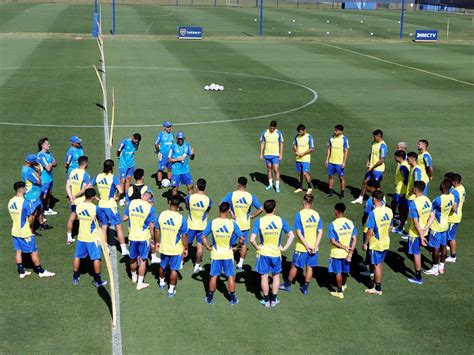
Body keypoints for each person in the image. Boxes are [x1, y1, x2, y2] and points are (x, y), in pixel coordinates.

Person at [250, 200, 295, 307]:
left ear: (264, 209)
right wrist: (284, 248)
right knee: (276, 276)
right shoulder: (280, 220)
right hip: (276, 253)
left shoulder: (259, 221)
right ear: (274, 209)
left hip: (264, 253)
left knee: (264, 277)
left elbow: (252, 239)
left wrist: (258, 247)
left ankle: (266, 301)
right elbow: (291, 236)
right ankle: (273, 300)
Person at [8, 181, 55, 279]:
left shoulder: (11, 201)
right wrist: (30, 226)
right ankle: (41, 271)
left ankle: (21, 271)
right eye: (25, 187)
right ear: (22, 189)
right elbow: (31, 218)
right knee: (33, 251)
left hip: (14, 231)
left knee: (18, 251)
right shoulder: (25, 203)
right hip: (24, 233)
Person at [201, 202, 244, 305]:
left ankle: (210, 298)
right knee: (230, 276)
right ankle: (233, 299)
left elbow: (203, 236)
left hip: (216, 254)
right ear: (228, 210)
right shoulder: (232, 224)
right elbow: (242, 238)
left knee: (214, 276)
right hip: (228, 254)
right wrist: (236, 247)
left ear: (219, 209)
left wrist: (207, 247)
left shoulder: (213, 222)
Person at [280, 194, 322, 295]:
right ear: (312, 203)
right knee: (310, 267)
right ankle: (305, 287)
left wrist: (307, 245)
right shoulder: (316, 215)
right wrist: (315, 246)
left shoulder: (300, 214)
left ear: (304, 201)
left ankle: (288, 284)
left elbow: (298, 232)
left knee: (294, 266)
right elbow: (320, 232)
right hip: (314, 248)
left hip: (302, 247)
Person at [221, 176, 264, 271]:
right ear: (246, 185)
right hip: (245, 224)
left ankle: (230, 261)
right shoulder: (250, 196)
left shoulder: (232, 194)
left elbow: (222, 204)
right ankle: (240, 264)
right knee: (244, 244)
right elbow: (261, 208)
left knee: (230, 244)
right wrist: (252, 216)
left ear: (237, 184)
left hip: (234, 224)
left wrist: (231, 213)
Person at [90, 159, 129, 256]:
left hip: (101, 205)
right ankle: (123, 248)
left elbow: (88, 187)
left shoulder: (98, 176)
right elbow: (120, 191)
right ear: (112, 167)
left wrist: (95, 197)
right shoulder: (113, 178)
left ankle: (105, 247)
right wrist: (117, 198)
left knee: (104, 227)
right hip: (110, 206)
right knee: (118, 226)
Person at [73, 188, 107, 287]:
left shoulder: (78, 206)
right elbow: (102, 220)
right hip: (93, 238)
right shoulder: (95, 208)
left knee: (77, 256)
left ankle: (75, 277)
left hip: (81, 236)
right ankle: (98, 280)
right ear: (93, 197)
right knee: (96, 258)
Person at [155, 197, 188, 297]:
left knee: (162, 265)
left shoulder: (161, 215)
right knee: (174, 269)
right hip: (176, 249)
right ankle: (171, 290)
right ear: (179, 206)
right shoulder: (182, 219)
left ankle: (161, 283)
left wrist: (157, 242)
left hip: (164, 247)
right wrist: (186, 248)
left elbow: (156, 230)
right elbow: (184, 236)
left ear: (169, 202)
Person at [123, 188, 156, 291]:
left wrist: (133, 216)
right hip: (144, 237)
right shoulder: (150, 208)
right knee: (143, 260)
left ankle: (133, 277)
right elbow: (151, 226)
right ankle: (140, 283)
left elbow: (124, 218)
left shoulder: (132, 203)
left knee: (132, 258)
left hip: (132, 236)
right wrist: (153, 239)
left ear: (142, 195)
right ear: (150, 200)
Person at [362, 190, 393, 295]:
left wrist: (365, 243)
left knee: (376, 265)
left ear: (374, 199)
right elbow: (390, 226)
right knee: (379, 264)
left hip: (376, 244)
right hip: (385, 242)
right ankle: (376, 285)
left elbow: (370, 231)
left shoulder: (373, 213)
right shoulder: (389, 210)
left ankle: (378, 288)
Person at [423, 180, 456, 276]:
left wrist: (425, 227)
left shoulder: (438, 199)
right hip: (445, 226)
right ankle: (441, 267)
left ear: (444, 186)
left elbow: (430, 213)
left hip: (436, 228)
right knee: (444, 246)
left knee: (436, 248)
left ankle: (434, 268)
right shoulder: (452, 197)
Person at [327, 203, 357, 299]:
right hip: (347, 254)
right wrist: (350, 252)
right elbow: (354, 238)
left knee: (338, 273)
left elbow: (333, 241)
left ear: (336, 211)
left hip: (336, 253)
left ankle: (339, 292)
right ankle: (344, 285)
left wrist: (343, 247)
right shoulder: (351, 223)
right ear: (345, 211)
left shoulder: (333, 225)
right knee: (345, 271)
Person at [352, 129, 388, 204]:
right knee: (365, 182)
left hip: (378, 170)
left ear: (379, 136)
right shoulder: (374, 143)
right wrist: (368, 161)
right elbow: (371, 153)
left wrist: (373, 167)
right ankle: (360, 198)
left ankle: (380, 200)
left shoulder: (383, 146)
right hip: (371, 168)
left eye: (375, 137)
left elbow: (381, 160)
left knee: (376, 187)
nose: (373, 138)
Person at [406, 181, 431, 285]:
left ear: (415, 189)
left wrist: (421, 236)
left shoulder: (414, 203)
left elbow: (416, 223)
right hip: (424, 231)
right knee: (418, 253)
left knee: (416, 254)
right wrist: (426, 229)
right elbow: (432, 216)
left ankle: (418, 278)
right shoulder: (427, 200)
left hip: (415, 234)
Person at [185, 178, 212, 274]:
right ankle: (197, 266)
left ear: (196, 186)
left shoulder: (189, 197)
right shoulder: (208, 200)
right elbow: (207, 211)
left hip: (191, 225)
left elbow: (187, 207)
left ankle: (180, 262)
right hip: (202, 226)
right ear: (205, 187)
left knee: (185, 244)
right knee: (200, 247)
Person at [66, 156, 91, 245]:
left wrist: (71, 196)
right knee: (86, 219)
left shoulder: (72, 172)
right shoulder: (85, 175)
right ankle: (86, 237)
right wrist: (75, 196)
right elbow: (83, 190)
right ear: (86, 164)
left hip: (73, 201)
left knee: (72, 218)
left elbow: (67, 185)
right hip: (81, 201)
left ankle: (69, 237)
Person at [22, 153, 50, 231]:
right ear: (31, 162)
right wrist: (37, 173)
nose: (37, 163)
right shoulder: (29, 172)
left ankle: (42, 225)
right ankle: (30, 232)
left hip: (36, 193)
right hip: (32, 195)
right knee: (33, 214)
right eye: (35, 161)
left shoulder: (25, 168)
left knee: (40, 209)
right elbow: (39, 182)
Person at [116, 133, 142, 206]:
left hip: (131, 165)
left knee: (128, 180)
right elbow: (118, 150)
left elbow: (134, 150)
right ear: (132, 137)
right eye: (135, 140)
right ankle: (120, 197)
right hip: (123, 165)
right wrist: (119, 157)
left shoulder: (137, 143)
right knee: (122, 181)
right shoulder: (125, 142)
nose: (136, 142)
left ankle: (126, 196)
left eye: (137, 141)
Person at [325, 124, 349, 198]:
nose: (335, 131)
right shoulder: (331, 138)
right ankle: (330, 192)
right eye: (335, 130)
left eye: (336, 130)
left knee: (341, 178)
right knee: (331, 176)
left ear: (341, 131)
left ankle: (342, 194)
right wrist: (327, 159)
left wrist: (344, 162)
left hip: (339, 163)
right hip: (331, 162)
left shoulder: (344, 139)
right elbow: (329, 149)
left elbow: (346, 151)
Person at [168, 131, 195, 197]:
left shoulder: (187, 145)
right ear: (177, 139)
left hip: (185, 170)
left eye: (181, 139)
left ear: (183, 139)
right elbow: (169, 159)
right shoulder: (173, 146)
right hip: (176, 171)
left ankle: (190, 203)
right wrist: (177, 159)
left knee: (190, 187)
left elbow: (191, 158)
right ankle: (176, 204)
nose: (180, 140)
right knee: (175, 189)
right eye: (179, 139)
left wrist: (193, 154)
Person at [260, 120, 284, 192]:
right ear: (269, 126)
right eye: (271, 128)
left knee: (276, 170)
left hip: (275, 155)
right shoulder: (265, 132)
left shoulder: (278, 133)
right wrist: (261, 153)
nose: (272, 129)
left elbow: (281, 144)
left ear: (275, 127)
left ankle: (277, 186)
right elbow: (262, 143)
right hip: (267, 154)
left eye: (273, 128)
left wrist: (281, 154)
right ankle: (270, 184)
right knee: (269, 169)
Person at [447, 173, 465, 263]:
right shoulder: (462, 188)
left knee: (451, 237)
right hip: (458, 215)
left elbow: (454, 208)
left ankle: (453, 256)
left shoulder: (455, 192)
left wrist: (446, 208)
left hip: (453, 217)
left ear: (454, 182)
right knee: (449, 235)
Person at [37, 137, 57, 215]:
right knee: (43, 196)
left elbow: (55, 163)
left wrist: (51, 164)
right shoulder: (41, 155)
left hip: (49, 178)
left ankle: (46, 208)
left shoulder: (48, 153)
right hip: (44, 179)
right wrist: (51, 164)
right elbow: (48, 168)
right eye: (47, 144)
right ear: (42, 145)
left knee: (49, 193)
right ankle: (40, 212)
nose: (49, 145)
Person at [293, 124, 315, 195]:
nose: (299, 133)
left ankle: (310, 187)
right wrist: (296, 151)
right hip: (298, 158)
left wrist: (303, 153)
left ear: (304, 130)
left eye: (301, 132)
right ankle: (300, 187)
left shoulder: (309, 137)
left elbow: (312, 148)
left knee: (305, 173)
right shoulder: (297, 136)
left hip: (305, 158)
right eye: (298, 132)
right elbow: (294, 145)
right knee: (299, 173)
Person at [391, 150, 410, 234]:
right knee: (401, 208)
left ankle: (397, 224)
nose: (394, 158)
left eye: (395, 157)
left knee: (397, 206)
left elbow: (406, 179)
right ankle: (400, 224)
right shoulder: (405, 164)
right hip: (401, 190)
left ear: (400, 157)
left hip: (400, 191)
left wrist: (405, 189)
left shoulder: (403, 167)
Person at [154, 121, 174, 187]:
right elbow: (156, 144)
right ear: (164, 127)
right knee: (161, 169)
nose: (169, 128)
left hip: (170, 155)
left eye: (170, 126)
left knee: (170, 168)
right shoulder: (161, 135)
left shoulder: (172, 134)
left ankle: (170, 181)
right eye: (168, 127)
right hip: (163, 155)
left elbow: (173, 144)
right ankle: (159, 183)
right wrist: (158, 151)